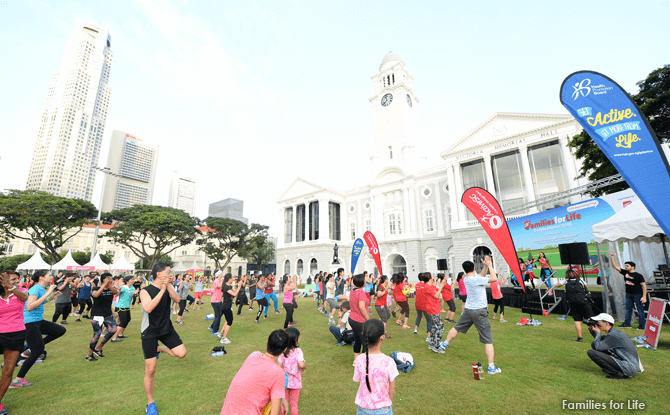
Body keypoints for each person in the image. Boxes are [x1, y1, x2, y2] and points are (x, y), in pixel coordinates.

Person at [140, 262, 187, 415]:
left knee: (181, 353)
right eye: (168, 271)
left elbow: (177, 300)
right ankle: (150, 403)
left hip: (166, 329)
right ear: (159, 273)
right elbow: (148, 308)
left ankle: (159, 349)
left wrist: (169, 286)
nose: (170, 274)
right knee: (151, 369)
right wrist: (161, 289)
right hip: (150, 331)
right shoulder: (145, 290)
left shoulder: (168, 286)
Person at [442, 256, 502, 374]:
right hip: (479, 311)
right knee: (488, 340)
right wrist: (490, 265)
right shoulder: (475, 280)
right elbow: (494, 278)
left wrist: (485, 266)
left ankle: (444, 344)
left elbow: (482, 276)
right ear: (474, 268)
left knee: (457, 327)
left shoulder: (467, 279)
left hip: (469, 310)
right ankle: (491, 367)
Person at [11, 270, 66, 388]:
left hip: (38, 321)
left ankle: (29, 349)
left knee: (60, 330)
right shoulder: (36, 289)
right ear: (41, 277)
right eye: (49, 275)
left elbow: (39, 302)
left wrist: (51, 297)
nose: (51, 277)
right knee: (38, 351)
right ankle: (17, 380)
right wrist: (49, 293)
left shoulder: (41, 289)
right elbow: (30, 307)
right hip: (29, 322)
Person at [221, 329, 289, 415]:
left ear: (267, 343)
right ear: (284, 350)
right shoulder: (278, 373)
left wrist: (281, 397)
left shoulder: (253, 355)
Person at [353, 319, 398, 415]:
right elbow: (392, 389)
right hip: (383, 409)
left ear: (363, 335)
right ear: (382, 337)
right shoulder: (389, 362)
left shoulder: (359, 359)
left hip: (363, 408)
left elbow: (357, 379)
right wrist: (387, 403)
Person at [0, 271, 28, 415]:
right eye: (13, 279)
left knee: (8, 370)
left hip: (15, 334)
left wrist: (11, 287)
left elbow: (24, 298)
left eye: (18, 279)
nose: (18, 281)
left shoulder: (21, 291)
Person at [585, 313, 641, 380]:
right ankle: (612, 369)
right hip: (631, 365)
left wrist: (598, 333)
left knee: (591, 352)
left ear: (607, 323)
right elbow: (601, 341)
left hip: (629, 367)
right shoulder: (614, 332)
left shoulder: (613, 335)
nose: (596, 324)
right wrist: (592, 330)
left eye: (598, 322)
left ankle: (619, 374)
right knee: (594, 345)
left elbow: (597, 346)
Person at [86, 272, 119, 361]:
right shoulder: (95, 288)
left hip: (108, 314)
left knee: (113, 330)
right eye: (108, 278)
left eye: (111, 278)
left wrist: (108, 285)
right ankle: (89, 355)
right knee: (97, 334)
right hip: (96, 314)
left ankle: (99, 348)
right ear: (103, 279)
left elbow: (116, 293)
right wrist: (104, 285)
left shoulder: (111, 288)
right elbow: (96, 295)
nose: (111, 280)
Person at [609, 254, 647, 330]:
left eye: (627, 266)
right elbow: (615, 267)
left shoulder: (638, 275)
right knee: (628, 309)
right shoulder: (625, 273)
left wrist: (644, 296)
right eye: (625, 266)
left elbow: (644, 286)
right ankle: (627, 323)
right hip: (628, 294)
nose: (626, 267)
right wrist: (612, 258)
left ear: (632, 267)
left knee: (640, 310)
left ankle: (642, 325)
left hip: (637, 294)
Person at [555, 269, 593, 342]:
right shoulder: (580, 280)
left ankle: (580, 338)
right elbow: (586, 287)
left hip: (573, 303)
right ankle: (598, 336)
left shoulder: (566, 281)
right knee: (590, 320)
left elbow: (557, 285)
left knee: (577, 320)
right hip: (583, 302)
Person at [278, 327, 305, 415]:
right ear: (296, 340)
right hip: (296, 383)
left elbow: (279, 366)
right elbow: (301, 364)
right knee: (294, 404)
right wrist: (303, 368)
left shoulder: (282, 351)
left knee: (283, 403)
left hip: (284, 382)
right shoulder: (298, 351)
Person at [219, 274, 246, 345]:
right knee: (230, 322)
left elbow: (234, 292)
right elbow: (234, 294)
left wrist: (238, 286)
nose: (233, 280)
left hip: (227, 306)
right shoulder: (226, 287)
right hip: (226, 307)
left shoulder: (228, 286)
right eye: (232, 278)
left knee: (228, 320)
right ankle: (224, 338)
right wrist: (239, 287)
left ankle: (221, 334)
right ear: (229, 279)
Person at [423, 273, 446, 353]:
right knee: (440, 328)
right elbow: (436, 295)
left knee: (434, 327)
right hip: (433, 310)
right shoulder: (427, 287)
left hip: (433, 309)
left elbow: (439, 291)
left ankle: (432, 344)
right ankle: (436, 346)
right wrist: (440, 287)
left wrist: (441, 286)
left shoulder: (430, 286)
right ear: (429, 278)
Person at [349, 273, 370, 359]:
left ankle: (356, 360)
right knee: (366, 342)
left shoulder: (353, 290)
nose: (366, 281)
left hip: (352, 318)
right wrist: (368, 319)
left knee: (357, 340)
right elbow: (362, 307)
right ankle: (363, 362)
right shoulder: (361, 292)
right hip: (359, 320)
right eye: (365, 279)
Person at [111, 276, 137, 342]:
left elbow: (132, 295)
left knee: (128, 319)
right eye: (132, 279)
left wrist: (136, 294)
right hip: (121, 307)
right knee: (122, 322)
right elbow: (116, 294)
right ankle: (114, 338)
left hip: (127, 306)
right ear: (127, 281)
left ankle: (120, 334)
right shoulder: (123, 287)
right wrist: (119, 289)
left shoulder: (132, 288)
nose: (133, 280)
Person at [412, 273, 432, 341]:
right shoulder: (426, 285)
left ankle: (415, 328)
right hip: (425, 305)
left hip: (418, 304)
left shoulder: (417, 285)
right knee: (429, 320)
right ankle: (428, 336)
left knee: (419, 316)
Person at [209, 271, 224, 337]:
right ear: (218, 275)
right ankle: (214, 331)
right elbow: (219, 286)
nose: (222, 274)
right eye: (221, 274)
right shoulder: (216, 281)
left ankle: (212, 326)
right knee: (218, 316)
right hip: (215, 301)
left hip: (219, 300)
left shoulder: (220, 280)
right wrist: (223, 281)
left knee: (220, 314)